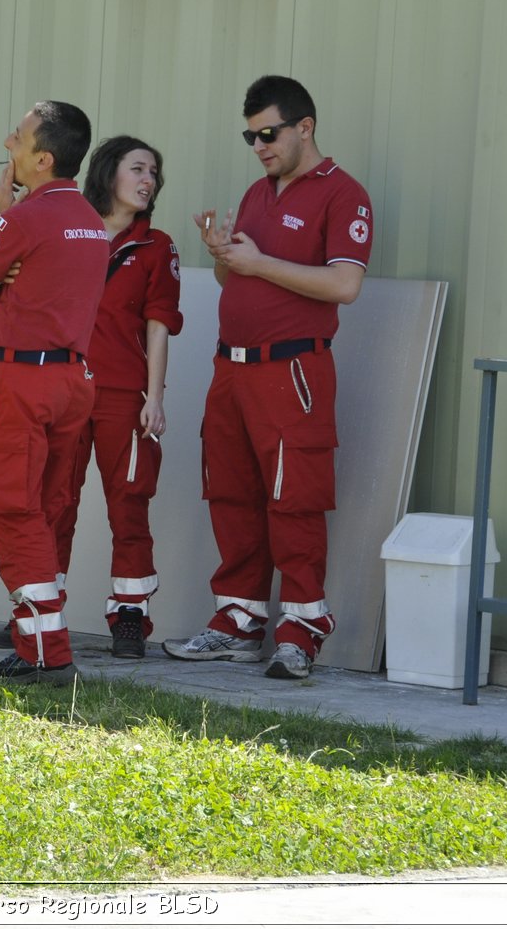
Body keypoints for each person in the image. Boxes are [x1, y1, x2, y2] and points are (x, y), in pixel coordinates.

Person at [163, 74, 373, 680]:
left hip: (294, 369)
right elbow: (242, 279)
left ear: (304, 127)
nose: (258, 145)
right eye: (250, 136)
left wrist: (258, 261)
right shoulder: (258, 194)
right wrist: (225, 254)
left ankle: (303, 627)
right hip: (233, 367)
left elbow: (344, 285)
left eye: (268, 133)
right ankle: (237, 620)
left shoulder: (344, 194)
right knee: (230, 492)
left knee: (295, 498)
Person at [0, 135, 183, 659]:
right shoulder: (69, 228)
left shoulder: (157, 245)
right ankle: (38, 612)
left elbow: (159, 323)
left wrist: (155, 395)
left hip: (125, 395)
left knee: (129, 504)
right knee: (52, 500)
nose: (148, 181)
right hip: (65, 387)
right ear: (107, 173)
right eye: (138, 169)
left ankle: (129, 615)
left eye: (154, 173)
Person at [0, 101, 108, 685]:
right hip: (73, 381)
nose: (8, 143)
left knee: (11, 507)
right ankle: (36, 643)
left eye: (18, 138)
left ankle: (46, 651)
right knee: (46, 510)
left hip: (19, 380)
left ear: (43, 159)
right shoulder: (92, 221)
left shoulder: (23, 217)